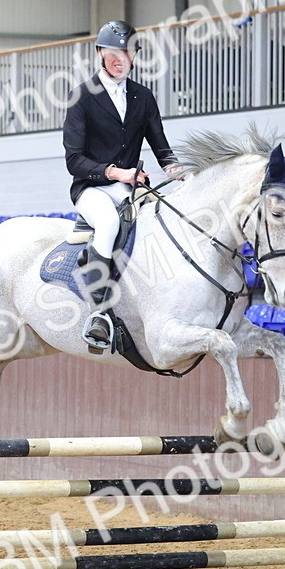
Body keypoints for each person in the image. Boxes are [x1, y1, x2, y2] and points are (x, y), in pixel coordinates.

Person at [63, 19, 182, 348]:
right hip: (92, 188)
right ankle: (99, 313)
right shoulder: (81, 96)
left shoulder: (143, 96)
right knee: (108, 223)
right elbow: (74, 160)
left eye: (127, 52)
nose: (120, 59)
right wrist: (117, 173)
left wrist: (182, 172)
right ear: (100, 53)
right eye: (113, 52)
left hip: (132, 188)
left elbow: (162, 148)